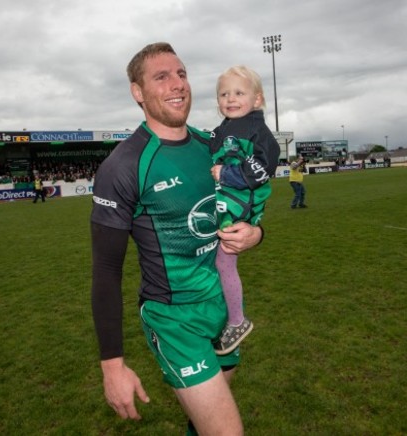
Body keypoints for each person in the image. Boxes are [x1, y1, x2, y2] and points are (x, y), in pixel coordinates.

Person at [90, 42, 263, 435]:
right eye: (162, 77)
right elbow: (105, 271)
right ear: (138, 92)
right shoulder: (124, 166)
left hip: (222, 309)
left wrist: (256, 233)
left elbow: (248, 207)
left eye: (181, 74)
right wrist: (112, 365)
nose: (177, 84)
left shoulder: (214, 147)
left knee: (202, 423)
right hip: (174, 318)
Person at [209, 65, 280, 355]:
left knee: (224, 262)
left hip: (241, 207)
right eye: (224, 93)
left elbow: (265, 167)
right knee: (214, 261)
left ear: (257, 100)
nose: (230, 98)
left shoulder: (256, 130)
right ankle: (222, 316)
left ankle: (237, 321)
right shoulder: (221, 130)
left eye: (239, 92)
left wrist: (225, 174)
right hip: (223, 201)